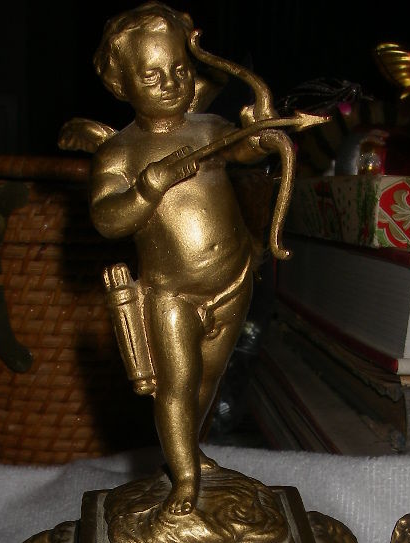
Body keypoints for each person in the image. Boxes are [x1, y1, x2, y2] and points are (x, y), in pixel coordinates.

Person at [90, 3, 269, 516]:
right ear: (121, 83)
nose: (170, 84)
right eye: (151, 75)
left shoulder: (208, 129)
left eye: (179, 69)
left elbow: (243, 150)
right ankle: (184, 481)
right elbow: (106, 218)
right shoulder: (120, 153)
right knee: (176, 386)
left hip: (233, 278)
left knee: (209, 379)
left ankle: (188, 451)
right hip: (171, 294)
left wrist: (257, 134)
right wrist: (148, 189)